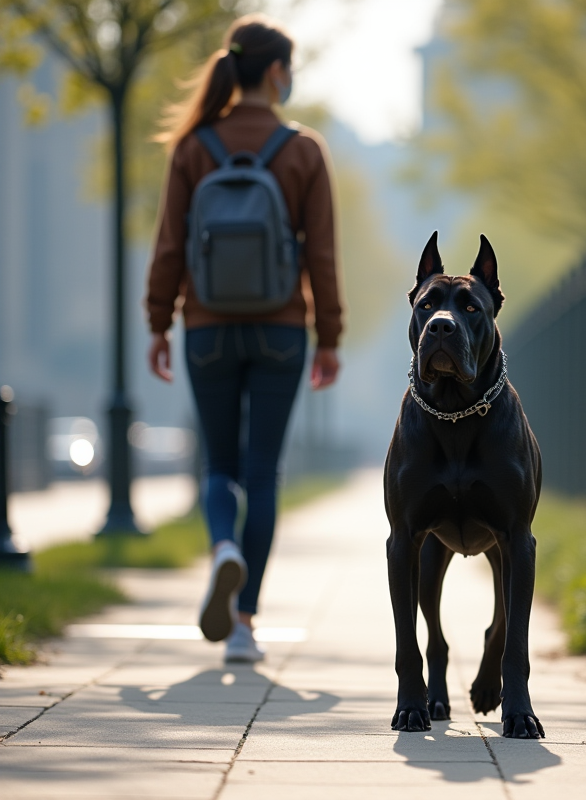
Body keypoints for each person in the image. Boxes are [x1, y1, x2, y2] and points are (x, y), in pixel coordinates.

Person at [144, 14, 343, 663]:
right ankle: (243, 621)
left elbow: (171, 246)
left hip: (206, 328)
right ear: (278, 72)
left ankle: (222, 546)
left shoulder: (194, 146)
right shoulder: (304, 150)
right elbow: (323, 256)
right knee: (263, 472)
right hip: (282, 330)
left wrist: (157, 322)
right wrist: (329, 336)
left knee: (218, 465)